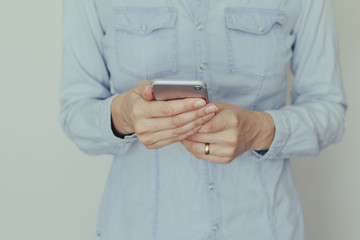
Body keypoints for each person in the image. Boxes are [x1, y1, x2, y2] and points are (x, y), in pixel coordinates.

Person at [59, 0, 347, 239]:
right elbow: (75, 111)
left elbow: (329, 110)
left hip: (262, 225)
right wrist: (123, 115)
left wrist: (258, 130)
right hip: (140, 228)